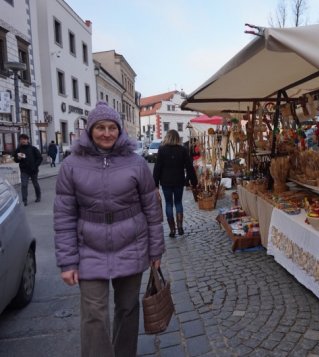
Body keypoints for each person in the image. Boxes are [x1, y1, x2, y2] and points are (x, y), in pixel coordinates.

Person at [53, 101, 165, 357]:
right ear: (90, 130)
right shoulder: (71, 165)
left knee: (127, 308)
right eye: (100, 127)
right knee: (94, 314)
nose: (106, 133)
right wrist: (67, 262)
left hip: (132, 245)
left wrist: (155, 251)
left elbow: (152, 210)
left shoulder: (135, 163)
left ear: (120, 130)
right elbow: (64, 215)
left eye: (112, 127)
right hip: (89, 248)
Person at [153, 129, 198, 237]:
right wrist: (193, 181)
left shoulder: (162, 150)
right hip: (179, 181)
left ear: (167, 137)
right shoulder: (182, 150)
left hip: (166, 182)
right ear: (177, 138)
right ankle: (180, 226)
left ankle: (172, 230)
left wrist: (155, 184)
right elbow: (189, 167)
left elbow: (157, 168)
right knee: (178, 203)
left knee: (168, 204)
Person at [13, 133, 42, 206]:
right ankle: (24, 200)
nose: (22, 141)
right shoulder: (18, 149)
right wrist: (18, 158)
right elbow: (16, 160)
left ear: (27, 140)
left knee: (35, 184)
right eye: (21, 139)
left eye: (24, 139)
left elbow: (40, 158)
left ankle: (38, 196)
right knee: (24, 185)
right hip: (24, 170)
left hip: (33, 170)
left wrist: (35, 166)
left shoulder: (33, 148)